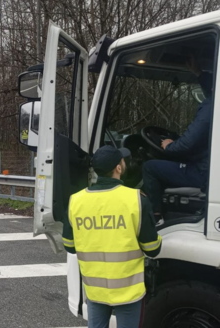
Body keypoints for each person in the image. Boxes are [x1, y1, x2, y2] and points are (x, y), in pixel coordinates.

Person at [62, 145, 162, 328]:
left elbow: (70, 246)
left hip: (95, 290)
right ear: (118, 167)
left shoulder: (75, 201)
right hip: (129, 293)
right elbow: (152, 249)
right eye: (122, 161)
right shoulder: (137, 199)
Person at [142, 57, 213, 225]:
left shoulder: (211, 107)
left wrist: (170, 146)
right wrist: (199, 73)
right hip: (207, 167)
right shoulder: (215, 102)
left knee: (149, 167)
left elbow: (188, 143)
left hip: (202, 172)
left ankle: (156, 216)